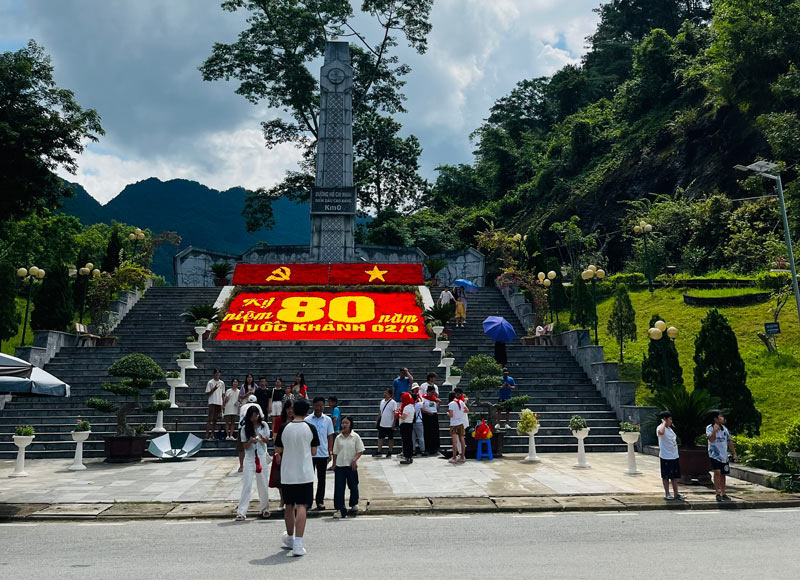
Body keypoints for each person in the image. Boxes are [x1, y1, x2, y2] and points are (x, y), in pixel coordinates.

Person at [275, 398, 319, 557]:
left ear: (293, 410)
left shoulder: (284, 427)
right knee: (301, 506)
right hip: (305, 473)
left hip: (288, 473)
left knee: (289, 505)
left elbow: (278, 448)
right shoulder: (310, 428)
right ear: (307, 411)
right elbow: (314, 451)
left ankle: (290, 538)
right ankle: (298, 544)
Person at [236, 405, 270, 521]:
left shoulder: (264, 425)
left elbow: (268, 440)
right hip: (250, 457)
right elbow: (244, 446)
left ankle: (265, 508)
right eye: (252, 416)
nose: (255, 418)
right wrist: (251, 440)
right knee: (247, 484)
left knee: (263, 482)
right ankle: (242, 511)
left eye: (256, 416)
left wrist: (262, 438)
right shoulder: (245, 428)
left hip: (261, 455)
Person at [331, 416, 364, 519]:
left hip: (351, 465)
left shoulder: (355, 437)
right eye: (343, 423)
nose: (344, 425)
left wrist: (355, 460)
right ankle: (340, 509)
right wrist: (334, 464)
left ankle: (354, 504)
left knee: (353, 485)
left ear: (351, 425)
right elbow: (335, 452)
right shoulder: (338, 438)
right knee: (339, 488)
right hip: (340, 465)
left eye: (346, 423)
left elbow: (360, 450)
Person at [305, 397, 334, 510]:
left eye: (321, 406)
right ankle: (308, 501)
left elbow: (330, 436)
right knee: (308, 479)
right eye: (317, 405)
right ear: (313, 406)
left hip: (322, 453)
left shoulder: (327, 420)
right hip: (309, 454)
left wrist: (330, 451)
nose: (319, 408)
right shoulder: (307, 420)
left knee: (321, 479)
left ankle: (320, 501)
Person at [707, 410, 738, 502]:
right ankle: (717, 492)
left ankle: (723, 493)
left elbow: (729, 441)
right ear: (716, 419)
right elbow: (711, 440)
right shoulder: (709, 428)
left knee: (723, 474)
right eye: (721, 416)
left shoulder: (724, 429)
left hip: (723, 455)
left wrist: (734, 453)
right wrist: (715, 431)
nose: (723, 418)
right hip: (714, 455)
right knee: (717, 472)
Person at [270, 400, 294, 513]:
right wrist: (277, 452)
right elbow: (275, 437)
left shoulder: (298, 421)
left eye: (292, 408)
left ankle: (291, 499)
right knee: (279, 477)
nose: (290, 411)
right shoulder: (279, 420)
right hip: (281, 451)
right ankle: (282, 500)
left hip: (294, 452)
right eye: (288, 408)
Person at [656, 411, 684, 500]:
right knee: (666, 476)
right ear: (665, 419)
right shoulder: (660, 427)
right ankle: (667, 493)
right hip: (665, 456)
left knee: (674, 476)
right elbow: (661, 433)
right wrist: (663, 422)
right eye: (669, 419)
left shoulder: (670, 429)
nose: (671, 421)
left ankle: (676, 493)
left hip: (674, 455)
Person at [238, 395, 263, 472]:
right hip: (253, 426)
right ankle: (259, 463)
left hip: (242, 426)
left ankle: (241, 465)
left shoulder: (243, 406)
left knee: (241, 446)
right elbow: (262, 416)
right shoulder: (257, 406)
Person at [448, 391, 468, 464]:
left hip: (454, 424)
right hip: (461, 423)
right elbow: (467, 410)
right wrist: (460, 413)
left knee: (455, 441)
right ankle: (462, 457)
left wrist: (448, 414)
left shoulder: (451, 404)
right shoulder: (461, 402)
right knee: (462, 440)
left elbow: (451, 415)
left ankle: (454, 457)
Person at [376, 389, 397, 458]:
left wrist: (394, 423)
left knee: (390, 438)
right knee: (380, 438)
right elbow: (380, 411)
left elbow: (395, 413)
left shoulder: (393, 402)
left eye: (386, 393)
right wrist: (377, 420)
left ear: (390, 395)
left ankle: (390, 451)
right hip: (382, 423)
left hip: (390, 424)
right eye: (384, 393)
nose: (385, 394)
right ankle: (379, 451)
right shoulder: (382, 401)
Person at [205, 370, 224, 441]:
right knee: (210, 419)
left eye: (218, 374)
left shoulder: (222, 383)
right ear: (214, 375)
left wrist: (223, 404)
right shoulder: (210, 382)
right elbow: (207, 393)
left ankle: (212, 434)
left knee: (215, 419)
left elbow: (223, 394)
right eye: (216, 374)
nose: (217, 376)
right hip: (212, 402)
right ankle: (207, 434)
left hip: (219, 402)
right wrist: (213, 389)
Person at [421, 384, 440, 456]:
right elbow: (421, 409)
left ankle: (435, 448)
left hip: (434, 415)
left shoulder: (434, 399)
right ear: (427, 392)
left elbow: (437, 408)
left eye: (433, 392)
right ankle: (427, 448)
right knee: (427, 432)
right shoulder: (423, 399)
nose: (433, 394)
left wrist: (439, 403)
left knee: (434, 432)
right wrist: (427, 412)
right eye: (431, 392)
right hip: (426, 416)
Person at [398, 392, 416, 465]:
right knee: (409, 441)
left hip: (405, 424)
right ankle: (410, 456)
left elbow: (403, 417)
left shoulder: (406, 407)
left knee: (406, 441)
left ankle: (407, 456)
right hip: (410, 424)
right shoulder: (411, 406)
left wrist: (398, 414)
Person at [410, 384, 425, 455]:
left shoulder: (410, 405)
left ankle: (413, 450)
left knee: (413, 438)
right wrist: (421, 397)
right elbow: (423, 402)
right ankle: (422, 450)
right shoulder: (418, 404)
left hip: (411, 422)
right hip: (419, 421)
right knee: (420, 437)